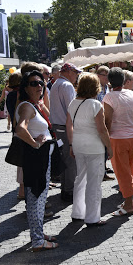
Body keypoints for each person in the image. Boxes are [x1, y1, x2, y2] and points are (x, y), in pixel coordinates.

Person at [15, 70, 58, 251]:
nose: (39, 86)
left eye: (41, 83)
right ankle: (38, 240)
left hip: (40, 157)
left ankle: (38, 233)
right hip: (35, 158)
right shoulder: (26, 106)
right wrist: (35, 144)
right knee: (35, 198)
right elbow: (20, 129)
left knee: (39, 197)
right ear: (26, 87)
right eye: (34, 83)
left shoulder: (34, 104)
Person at [67, 73, 112, 227]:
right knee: (94, 182)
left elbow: (69, 126)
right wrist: (109, 147)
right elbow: (102, 129)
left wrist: (71, 144)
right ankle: (92, 217)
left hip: (78, 144)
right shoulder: (95, 104)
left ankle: (77, 212)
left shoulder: (73, 103)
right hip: (94, 146)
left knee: (80, 179)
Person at [103, 68, 133, 217]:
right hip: (132, 137)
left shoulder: (109, 97)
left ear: (109, 81)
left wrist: (105, 142)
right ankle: (128, 200)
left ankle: (128, 203)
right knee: (128, 170)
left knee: (123, 172)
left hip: (118, 139)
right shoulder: (131, 94)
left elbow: (108, 121)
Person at [50, 63, 81, 202]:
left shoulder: (57, 83)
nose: (77, 76)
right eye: (75, 73)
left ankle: (65, 188)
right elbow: (72, 108)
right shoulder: (66, 85)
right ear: (69, 72)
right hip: (65, 126)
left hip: (58, 127)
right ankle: (69, 191)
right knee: (70, 159)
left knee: (64, 158)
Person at [95, 65, 114, 181]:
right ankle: (100, 171)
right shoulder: (95, 87)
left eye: (108, 75)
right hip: (98, 118)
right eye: (105, 75)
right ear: (98, 76)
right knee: (100, 145)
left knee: (104, 145)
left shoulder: (107, 87)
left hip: (106, 118)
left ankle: (104, 168)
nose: (107, 78)